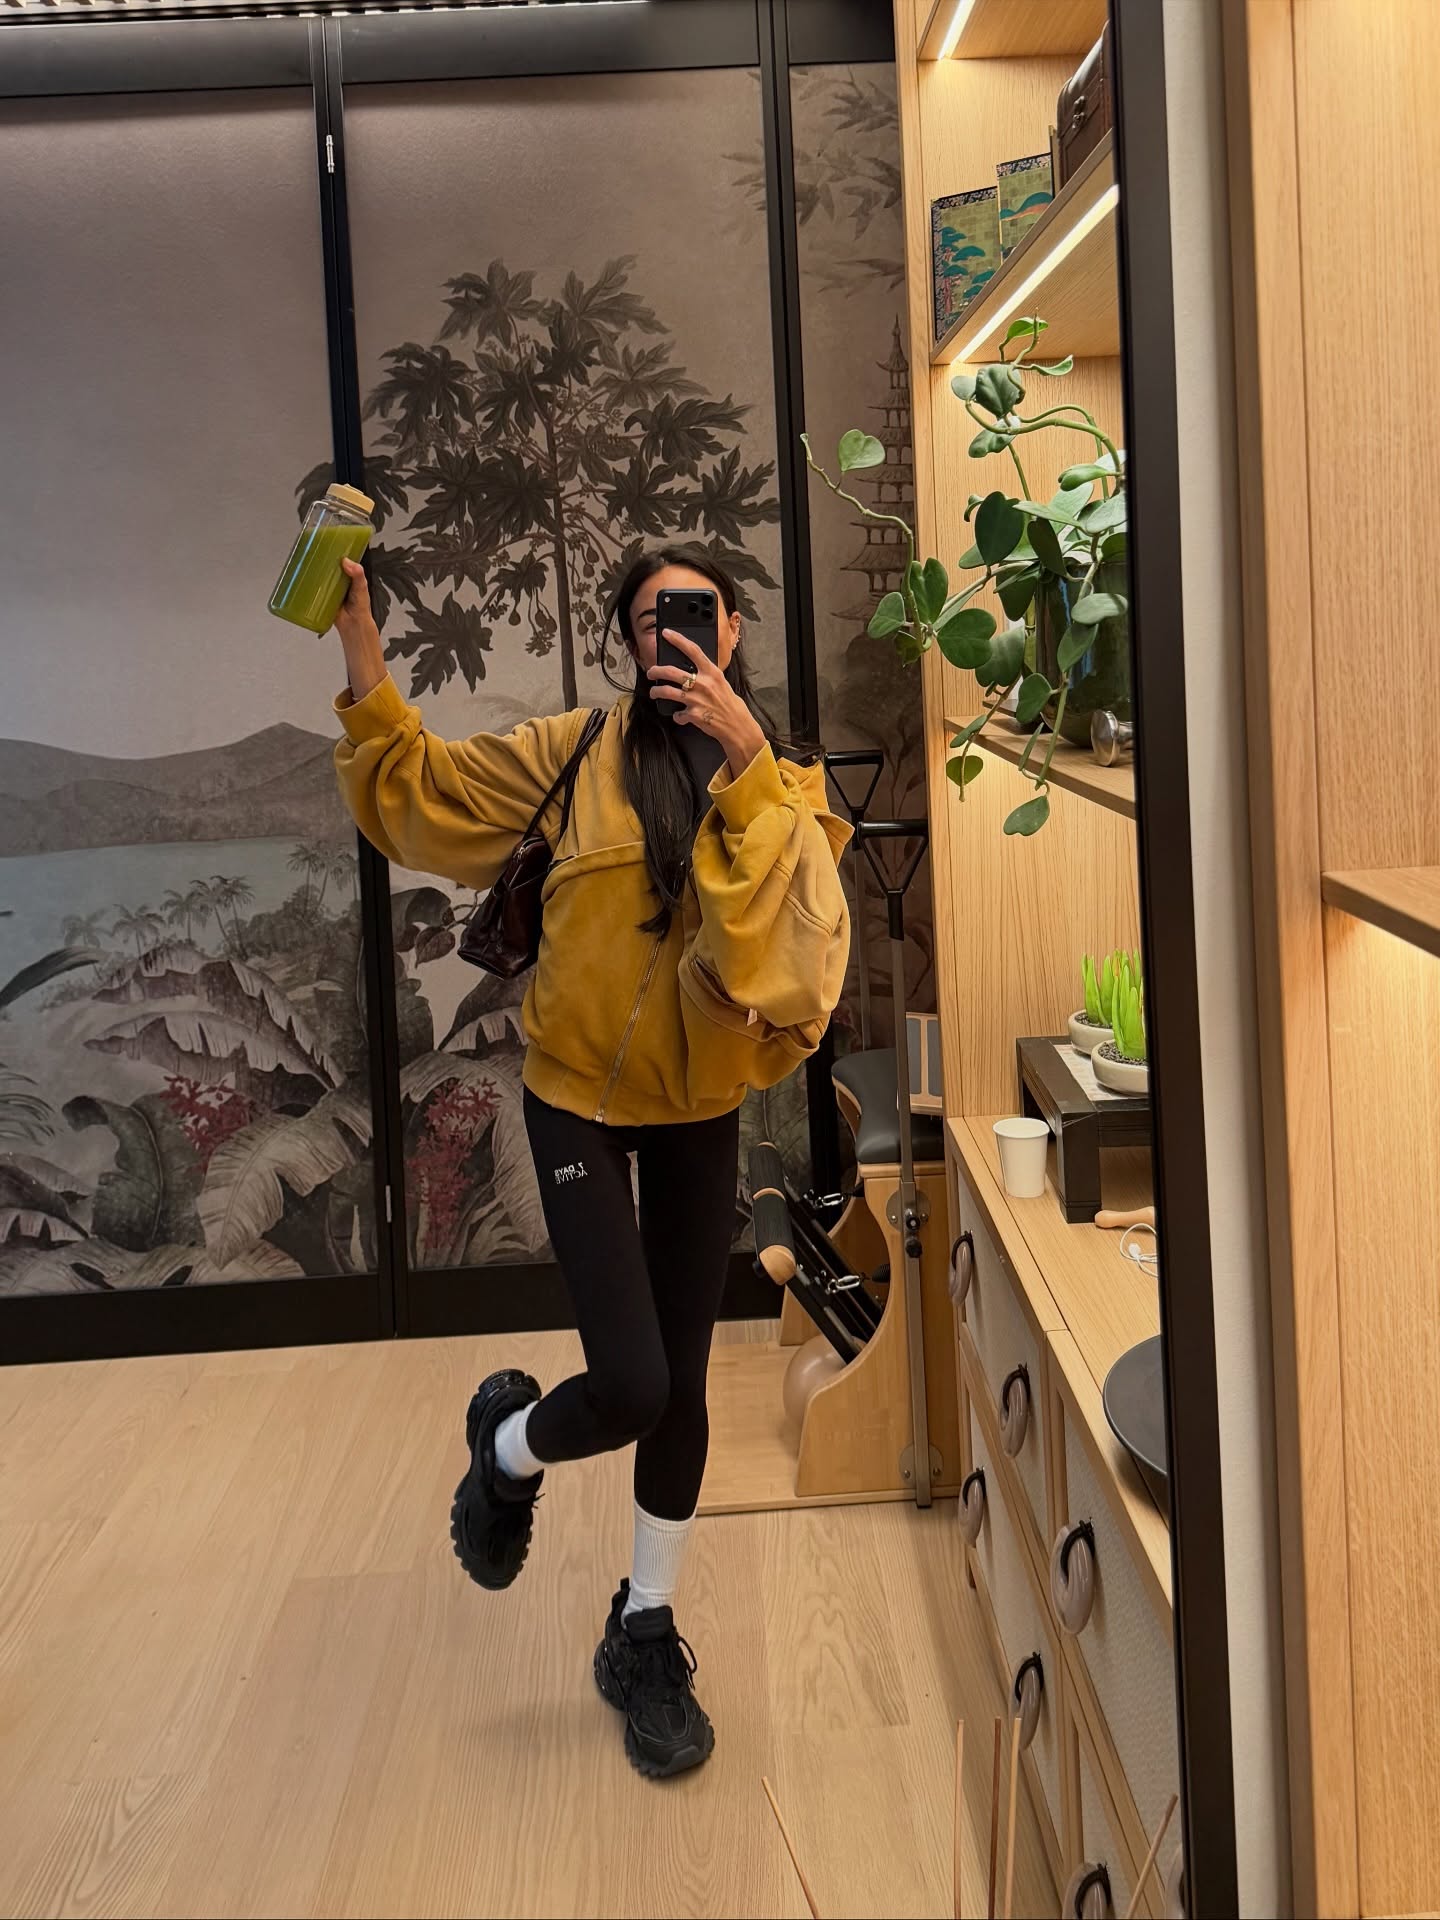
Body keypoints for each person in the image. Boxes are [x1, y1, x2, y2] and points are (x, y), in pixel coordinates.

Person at [330, 544, 849, 1780]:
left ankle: (645, 1632)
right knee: (630, 1385)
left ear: (732, 633)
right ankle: (507, 1451)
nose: (674, 634)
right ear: (630, 642)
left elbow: (792, 955)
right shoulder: (572, 756)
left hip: (699, 1105)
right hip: (576, 1102)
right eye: (651, 619)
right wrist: (360, 648)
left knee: (683, 1386)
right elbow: (420, 791)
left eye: (697, 615)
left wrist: (746, 764)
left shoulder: (784, 784)